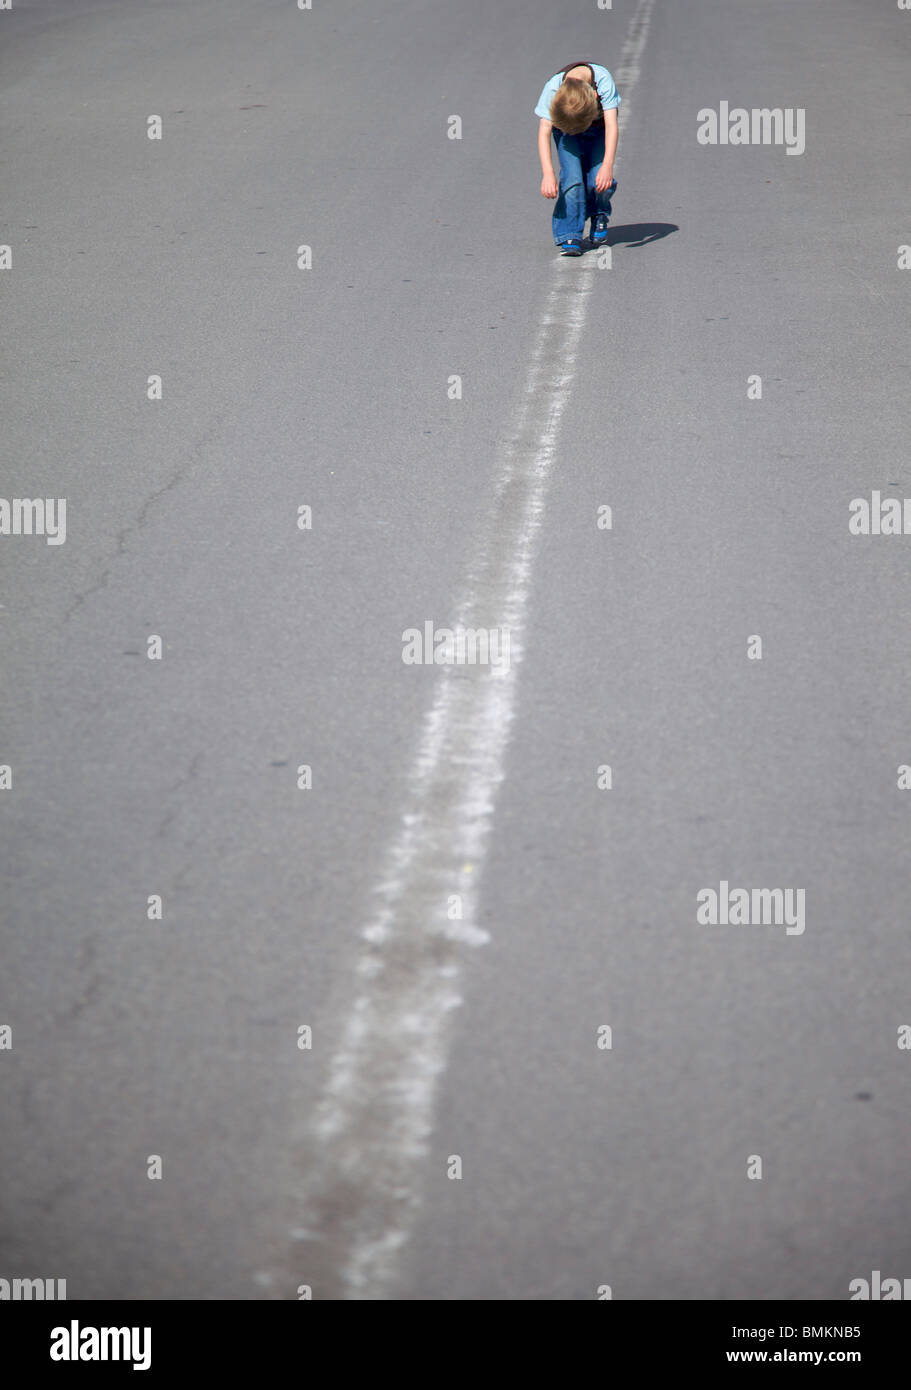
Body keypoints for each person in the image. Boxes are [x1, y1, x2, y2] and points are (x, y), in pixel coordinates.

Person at [535, 61, 620, 256]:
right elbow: (544, 131)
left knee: (599, 178)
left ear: (594, 96)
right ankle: (570, 232)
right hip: (565, 131)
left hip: (599, 130)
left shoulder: (603, 81)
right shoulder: (553, 87)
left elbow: (612, 126)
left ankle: (599, 212)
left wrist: (607, 165)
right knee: (573, 180)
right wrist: (548, 173)